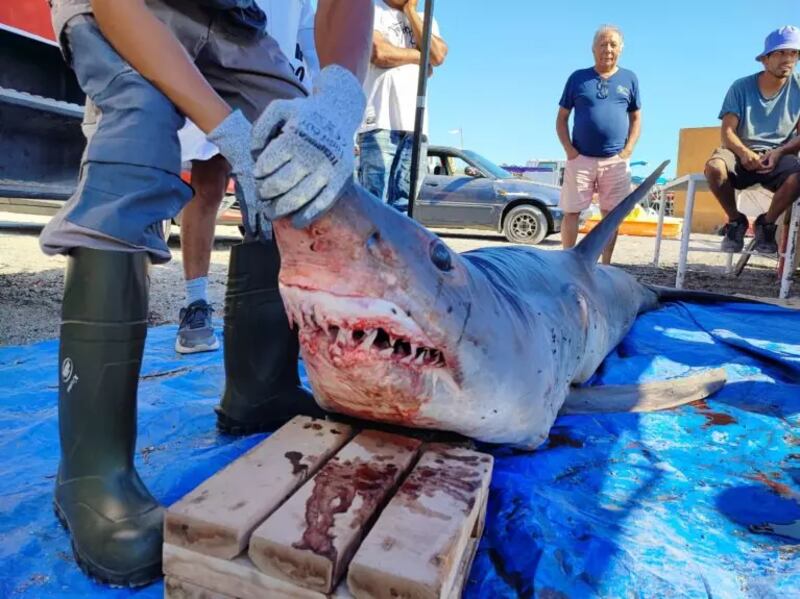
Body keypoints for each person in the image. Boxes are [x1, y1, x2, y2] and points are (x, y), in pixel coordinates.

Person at [41, 0, 371, 587]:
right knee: (135, 136)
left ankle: (260, 388)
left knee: (297, 151)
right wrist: (224, 130)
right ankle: (90, 473)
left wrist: (339, 103)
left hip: (235, 18)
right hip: (126, 8)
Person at [174, 0, 320, 355]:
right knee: (207, 184)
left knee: (276, 198)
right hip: (211, 60)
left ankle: (276, 309)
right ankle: (196, 305)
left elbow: (308, 31)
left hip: (269, 74)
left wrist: (320, 90)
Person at [704, 26, 800, 254]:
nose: (788, 59)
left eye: (793, 53)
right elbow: (727, 132)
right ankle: (736, 221)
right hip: (740, 151)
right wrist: (745, 153)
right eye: (780, 53)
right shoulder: (741, 87)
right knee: (715, 167)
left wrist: (778, 153)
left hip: (780, 155)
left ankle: (766, 224)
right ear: (765, 59)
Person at [556, 24, 641, 264]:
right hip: (580, 158)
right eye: (603, 44)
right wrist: (569, 151)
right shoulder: (577, 78)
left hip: (615, 159)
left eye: (613, 44)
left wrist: (628, 150)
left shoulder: (630, 79)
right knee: (571, 211)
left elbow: (636, 117)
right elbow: (562, 118)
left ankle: (605, 266)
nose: (608, 49)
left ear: (621, 49)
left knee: (611, 215)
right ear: (593, 49)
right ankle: (566, 263)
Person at [356, 0, 448, 212]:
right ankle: (369, 246)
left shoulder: (425, 19)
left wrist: (410, 11)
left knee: (406, 204)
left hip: (416, 126)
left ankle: (396, 246)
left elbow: (438, 55)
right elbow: (379, 53)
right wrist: (421, 57)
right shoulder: (373, 10)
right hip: (379, 122)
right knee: (372, 202)